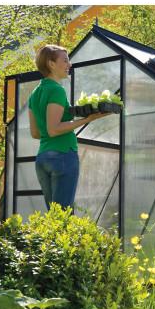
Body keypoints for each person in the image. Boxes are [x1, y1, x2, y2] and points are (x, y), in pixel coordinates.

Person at [29, 44, 111, 210]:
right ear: (51, 64)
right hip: (62, 155)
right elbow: (53, 129)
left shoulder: (34, 93)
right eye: (65, 61)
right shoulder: (57, 90)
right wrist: (88, 119)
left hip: (42, 159)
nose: (69, 64)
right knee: (63, 216)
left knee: (54, 217)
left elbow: (36, 133)